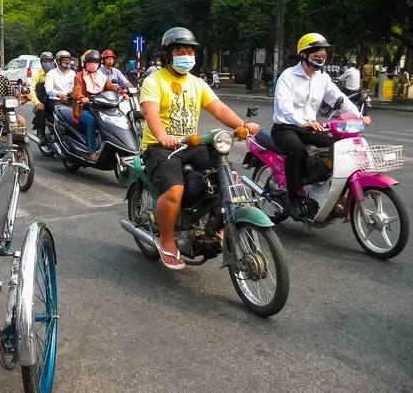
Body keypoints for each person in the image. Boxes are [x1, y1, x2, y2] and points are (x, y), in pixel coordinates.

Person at [141, 27, 260, 270]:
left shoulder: (197, 83)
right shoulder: (154, 81)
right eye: (180, 51)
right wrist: (163, 136)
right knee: (175, 190)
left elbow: (218, 108)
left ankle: (218, 226)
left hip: (192, 144)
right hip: (160, 147)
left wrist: (243, 125)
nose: (186, 56)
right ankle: (166, 239)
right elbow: (150, 111)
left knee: (229, 176)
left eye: (190, 51)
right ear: (168, 55)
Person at [272, 33, 371, 220]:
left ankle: (318, 183)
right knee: (296, 150)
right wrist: (302, 121)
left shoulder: (322, 78)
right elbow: (284, 106)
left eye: (323, 56)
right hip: (286, 127)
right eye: (316, 56)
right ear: (303, 55)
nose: (321, 60)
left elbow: (339, 100)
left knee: (337, 147)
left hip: (310, 128)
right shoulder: (288, 76)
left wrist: (359, 116)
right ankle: (293, 198)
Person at [71, 50, 124, 161]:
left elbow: (110, 87)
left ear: (99, 63)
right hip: (83, 108)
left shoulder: (100, 76)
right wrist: (82, 98)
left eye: (96, 62)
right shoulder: (79, 76)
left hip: (100, 107)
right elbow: (76, 92)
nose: (93, 64)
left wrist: (121, 91)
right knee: (92, 121)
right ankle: (92, 151)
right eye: (90, 61)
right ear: (85, 63)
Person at [29, 51, 56, 144]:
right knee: (41, 110)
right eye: (45, 61)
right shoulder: (37, 75)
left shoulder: (56, 73)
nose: (48, 63)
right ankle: (42, 134)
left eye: (50, 61)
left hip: (56, 101)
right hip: (43, 100)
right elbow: (32, 90)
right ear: (41, 62)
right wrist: (37, 102)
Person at [44, 50, 75, 116]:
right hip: (56, 101)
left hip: (70, 101)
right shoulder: (51, 73)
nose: (67, 62)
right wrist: (58, 94)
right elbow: (49, 90)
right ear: (58, 61)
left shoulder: (73, 73)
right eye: (64, 60)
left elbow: (76, 88)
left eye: (68, 60)